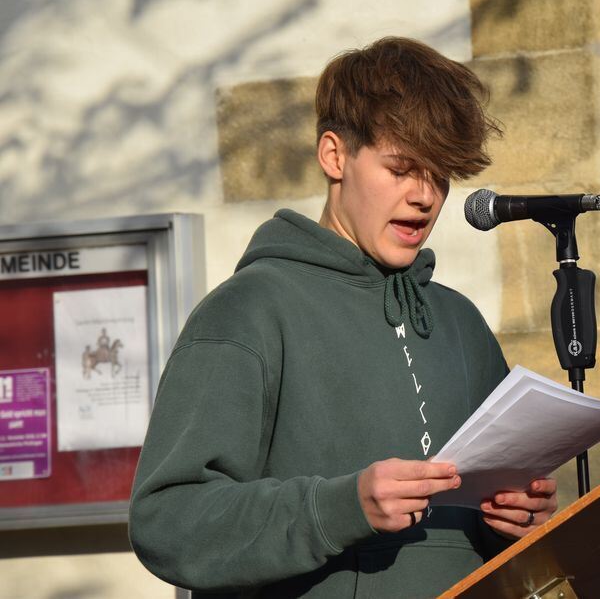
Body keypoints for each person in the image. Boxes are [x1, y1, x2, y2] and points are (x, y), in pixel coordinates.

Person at [129, 37, 557, 598]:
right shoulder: (247, 311)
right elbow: (167, 521)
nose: (425, 197)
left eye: (439, 175)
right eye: (401, 168)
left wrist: (518, 519)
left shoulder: (461, 323)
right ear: (335, 156)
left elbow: (482, 538)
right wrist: (339, 507)